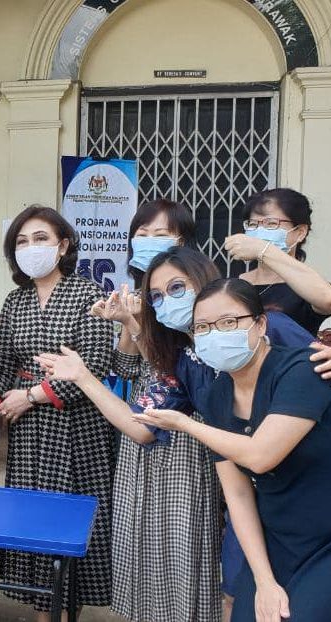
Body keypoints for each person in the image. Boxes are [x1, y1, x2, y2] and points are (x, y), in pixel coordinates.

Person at [35, 246, 331, 620]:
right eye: (157, 297)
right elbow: (143, 427)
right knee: (240, 597)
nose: (168, 302)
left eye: (177, 288)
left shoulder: (264, 327)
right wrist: (82, 376)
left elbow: (324, 370)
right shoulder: (191, 365)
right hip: (267, 504)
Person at [131, 278, 331, 621]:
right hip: (283, 539)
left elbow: (260, 455)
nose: (215, 334)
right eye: (203, 327)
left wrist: (186, 425)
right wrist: (264, 580)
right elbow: (237, 494)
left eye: (228, 322)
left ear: (260, 323)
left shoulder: (304, 369)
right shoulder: (218, 396)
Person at [0, 206, 113, 619]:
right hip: (29, 436)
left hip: (77, 429)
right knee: (34, 529)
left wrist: (31, 394)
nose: (31, 248)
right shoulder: (15, 301)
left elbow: (96, 363)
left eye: (40, 239)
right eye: (21, 242)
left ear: (63, 245)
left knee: (69, 532)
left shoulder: (88, 295)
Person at [85, 199, 223, 621]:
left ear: (184, 241)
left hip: (186, 431)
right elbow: (127, 368)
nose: (148, 242)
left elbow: (179, 370)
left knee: (181, 538)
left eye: (160, 234)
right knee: (138, 532)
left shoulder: (202, 298)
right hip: (139, 421)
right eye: (141, 234)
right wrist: (128, 322)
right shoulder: (139, 294)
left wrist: (137, 325)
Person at [225, 188, 331, 337]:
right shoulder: (233, 283)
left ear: (300, 232)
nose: (259, 231)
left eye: (271, 224)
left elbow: (328, 299)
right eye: (253, 224)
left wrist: (263, 250)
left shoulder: (306, 285)